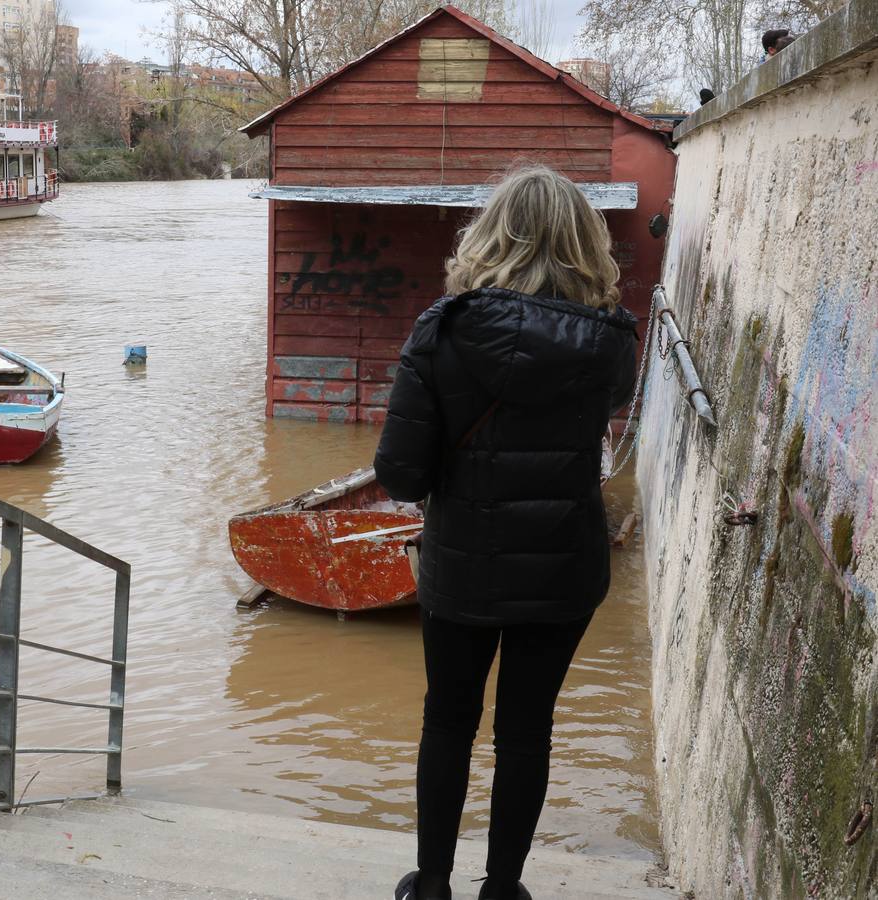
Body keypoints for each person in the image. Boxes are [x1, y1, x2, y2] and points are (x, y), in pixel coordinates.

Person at [375, 166, 639, 900]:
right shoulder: (614, 341)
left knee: (449, 719)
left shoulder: (443, 329)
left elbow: (398, 473)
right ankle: (504, 890)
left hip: (463, 561)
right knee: (528, 728)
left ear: (489, 236)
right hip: (566, 562)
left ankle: (430, 885)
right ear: (586, 244)